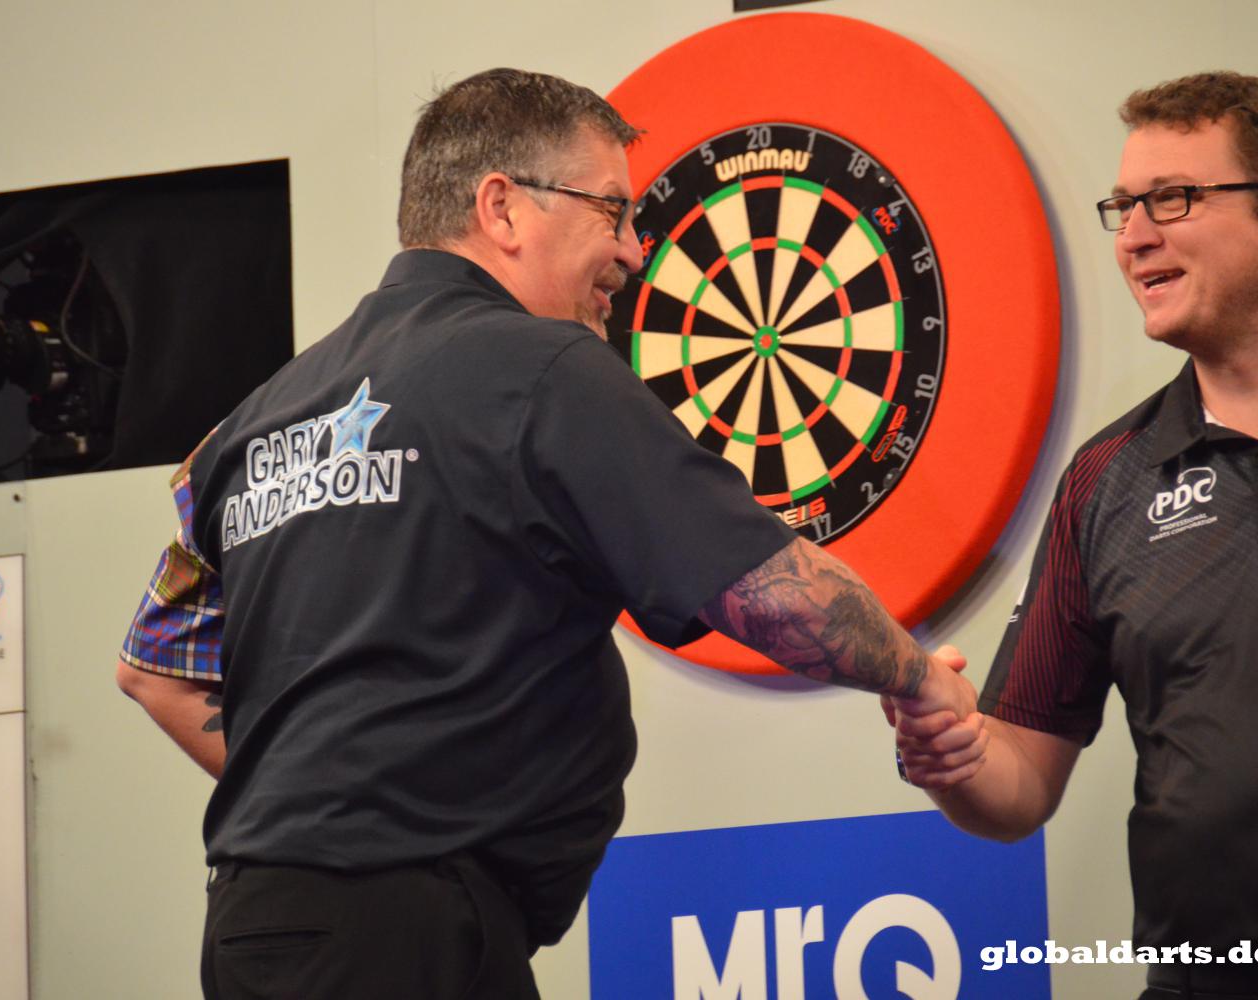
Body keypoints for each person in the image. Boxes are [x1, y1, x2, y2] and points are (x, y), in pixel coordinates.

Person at [116, 67, 977, 1000]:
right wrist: (920, 679)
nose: (634, 252)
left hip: (255, 929)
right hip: (407, 935)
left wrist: (312, 820)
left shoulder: (249, 425)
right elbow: (764, 586)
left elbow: (153, 667)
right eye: (612, 211)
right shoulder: (538, 366)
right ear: (502, 207)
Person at [888, 71, 1258, 1000]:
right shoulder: (1106, 479)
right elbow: (1019, 781)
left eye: (1172, 198)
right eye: (1123, 207)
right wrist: (949, 750)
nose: (1133, 236)